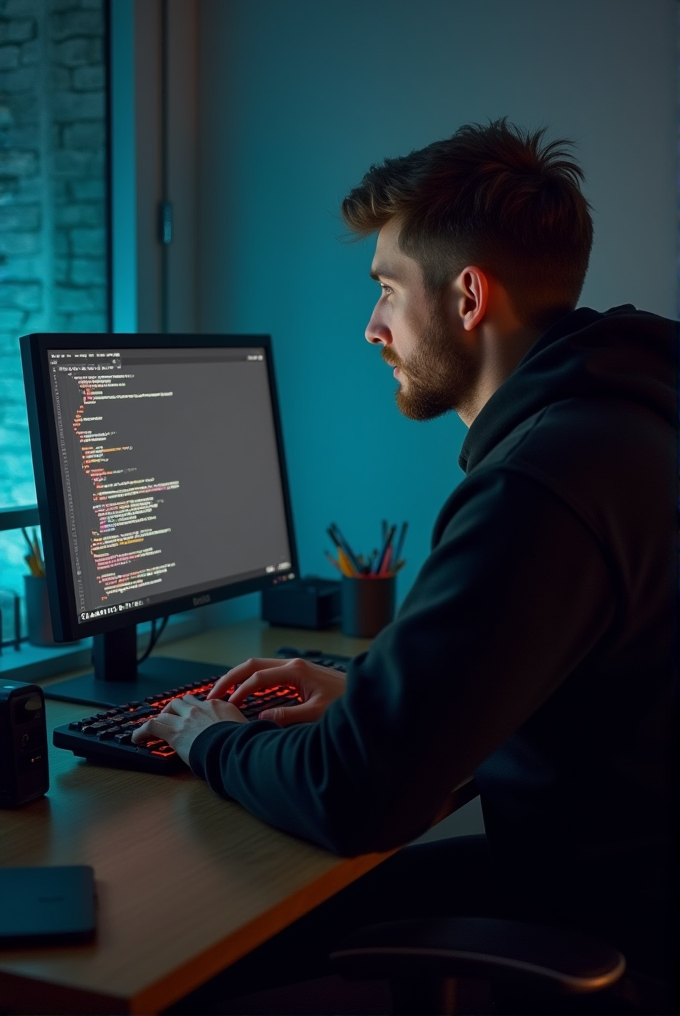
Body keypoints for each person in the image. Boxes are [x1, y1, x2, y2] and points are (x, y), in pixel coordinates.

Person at [134, 119, 676, 995]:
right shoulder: (627, 422)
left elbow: (357, 796)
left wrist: (211, 739)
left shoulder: (542, 481)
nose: (371, 328)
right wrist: (377, 701)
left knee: (216, 958)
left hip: (607, 926)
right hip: (629, 887)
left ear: (467, 298)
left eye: (387, 288)